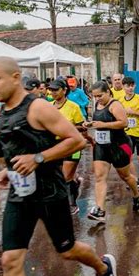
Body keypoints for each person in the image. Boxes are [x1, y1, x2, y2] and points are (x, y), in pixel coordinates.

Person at [0, 57, 118, 276]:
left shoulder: (37, 107)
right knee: (10, 260)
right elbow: (20, 148)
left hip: (50, 193)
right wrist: (9, 169)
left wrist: (37, 158)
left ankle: (103, 267)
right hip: (20, 194)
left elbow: (76, 140)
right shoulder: (3, 111)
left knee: (67, 250)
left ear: (15, 78)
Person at [85, 81, 139, 222]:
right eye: (94, 96)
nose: (97, 98)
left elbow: (123, 122)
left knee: (125, 176)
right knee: (99, 177)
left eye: (100, 95)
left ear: (108, 92)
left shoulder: (115, 104)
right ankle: (100, 210)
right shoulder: (97, 105)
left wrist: (102, 125)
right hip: (101, 146)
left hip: (119, 146)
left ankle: (136, 194)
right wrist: (89, 125)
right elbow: (98, 124)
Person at [48, 79, 86, 215]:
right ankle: (74, 185)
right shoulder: (48, 106)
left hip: (72, 145)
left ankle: (72, 204)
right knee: (59, 177)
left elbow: (82, 127)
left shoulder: (73, 107)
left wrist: (65, 128)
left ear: (64, 90)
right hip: (56, 146)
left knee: (66, 177)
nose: (52, 93)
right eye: (51, 90)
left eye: (55, 90)